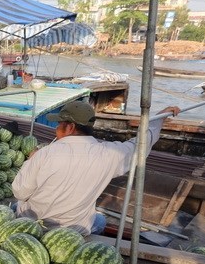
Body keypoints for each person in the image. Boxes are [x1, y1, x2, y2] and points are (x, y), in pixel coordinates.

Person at [12, 100, 181, 236]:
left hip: (33, 226)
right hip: (71, 232)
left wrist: (30, 160)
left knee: (14, 206)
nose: (56, 128)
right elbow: (140, 145)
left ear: (70, 127)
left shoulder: (45, 154)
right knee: (99, 221)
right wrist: (159, 119)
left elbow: (20, 192)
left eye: (59, 124)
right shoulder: (110, 154)